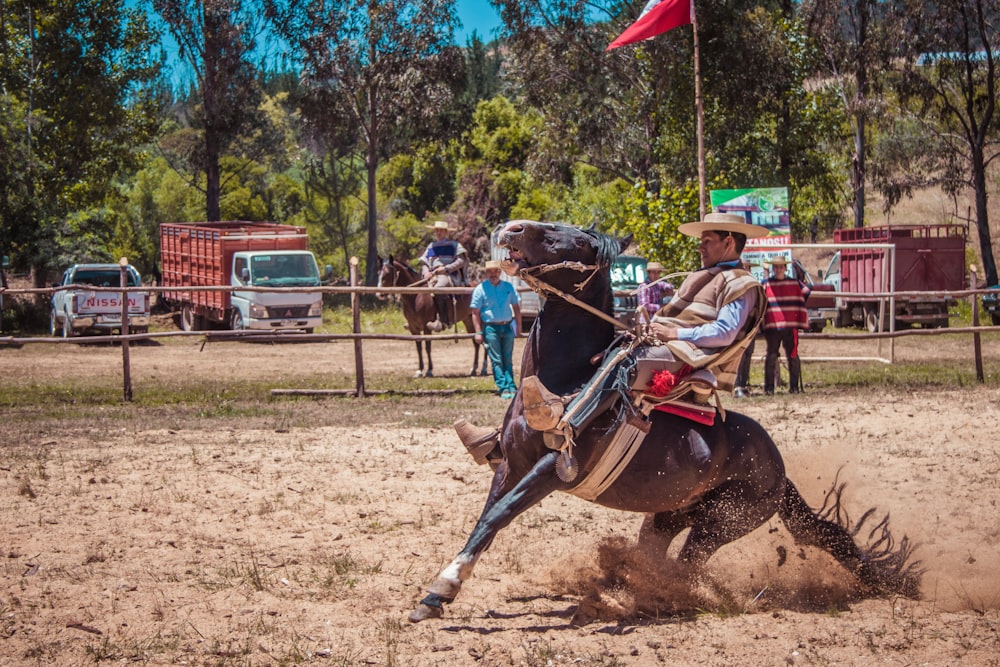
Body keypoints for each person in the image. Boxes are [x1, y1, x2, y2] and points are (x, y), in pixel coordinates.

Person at [454, 212, 768, 461]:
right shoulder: (711, 275)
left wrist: (674, 331)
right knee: (601, 353)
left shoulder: (741, 284)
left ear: (728, 242)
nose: (700, 246)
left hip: (692, 354)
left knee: (622, 364)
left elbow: (725, 332)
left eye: (708, 240)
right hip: (671, 344)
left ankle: (566, 429)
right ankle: (507, 434)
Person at [470, 260, 522, 400]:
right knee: (497, 359)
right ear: (486, 273)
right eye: (490, 272)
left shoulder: (508, 287)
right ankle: (503, 386)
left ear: (500, 272)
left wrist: (518, 326)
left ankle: (511, 385)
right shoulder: (480, 289)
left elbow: (516, 308)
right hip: (491, 327)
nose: (493, 274)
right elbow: (475, 312)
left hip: (507, 325)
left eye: (496, 271)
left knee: (508, 358)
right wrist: (478, 331)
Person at [761, 256, 810, 395]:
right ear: (773, 269)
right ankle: (769, 388)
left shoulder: (794, 283)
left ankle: (794, 387)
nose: (778, 270)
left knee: (792, 356)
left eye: (781, 267)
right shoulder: (766, 284)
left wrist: (797, 303)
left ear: (785, 268)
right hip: (773, 326)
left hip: (790, 325)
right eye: (775, 267)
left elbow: (806, 291)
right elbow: (759, 298)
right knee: (771, 356)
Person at [419, 220, 468, 331]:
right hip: (432, 275)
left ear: (446, 232)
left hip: (449, 275)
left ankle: (443, 321)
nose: (438, 232)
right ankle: (415, 320)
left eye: (441, 230)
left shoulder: (454, 245)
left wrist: (446, 269)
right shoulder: (431, 247)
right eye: (437, 230)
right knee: (418, 292)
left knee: (439, 288)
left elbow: (461, 261)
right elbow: (425, 262)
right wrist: (426, 272)